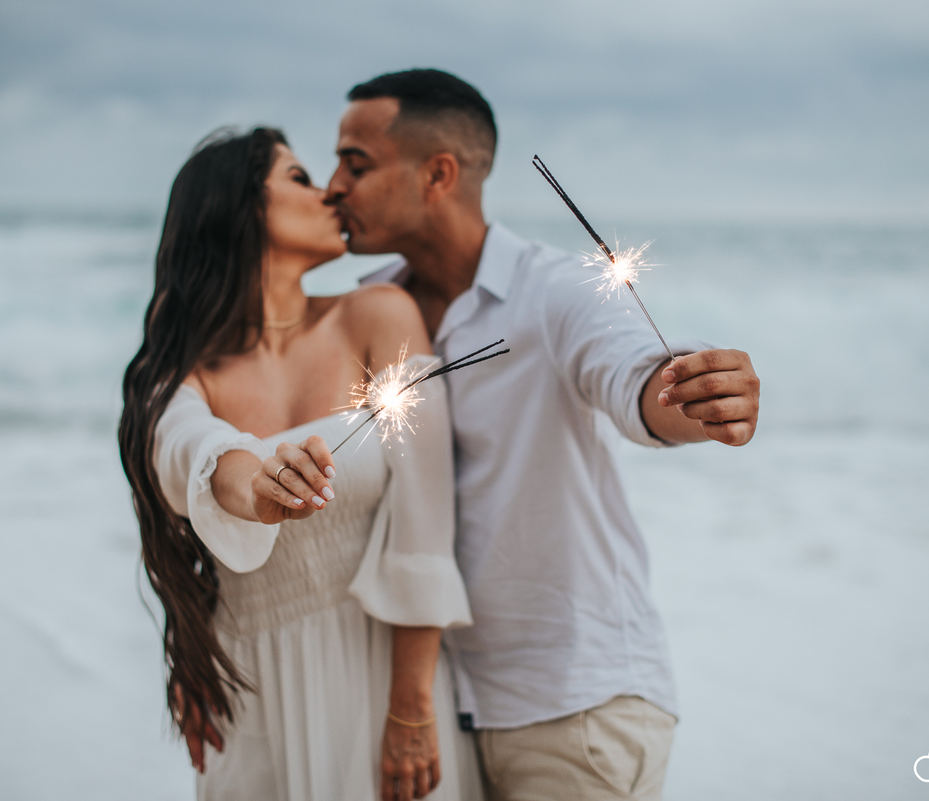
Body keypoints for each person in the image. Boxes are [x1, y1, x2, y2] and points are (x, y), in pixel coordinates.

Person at [324, 69, 762, 800]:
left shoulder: (555, 289)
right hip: (440, 708)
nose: (335, 185)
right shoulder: (369, 311)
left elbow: (632, 375)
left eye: (356, 163)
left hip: (576, 709)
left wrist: (695, 397)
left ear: (438, 174)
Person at [118, 127, 483, 801]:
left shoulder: (378, 314)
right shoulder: (180, 369)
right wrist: (252, 482)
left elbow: (427, 522)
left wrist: (410, 705)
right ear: (239, 206)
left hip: (381, 669)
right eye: (299, 177)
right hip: (247, 681)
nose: (330, 192)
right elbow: (183, 445)